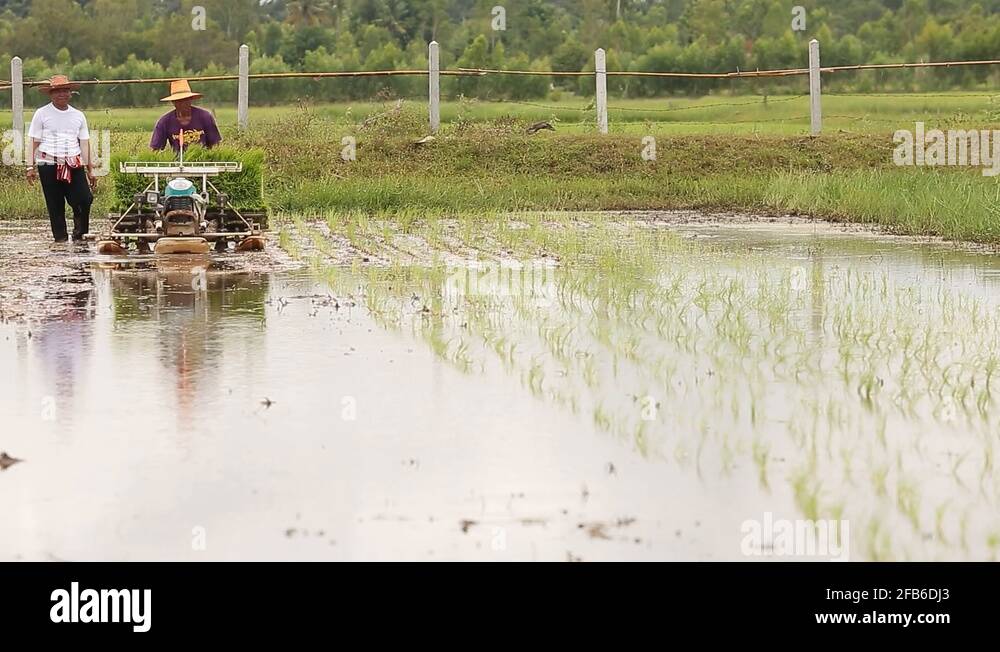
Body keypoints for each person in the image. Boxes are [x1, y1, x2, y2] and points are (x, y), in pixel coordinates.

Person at [26, 75, 96, 243]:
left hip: (73, 162)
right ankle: (61, 240)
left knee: (84, 199)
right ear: (51, 94)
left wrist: (91, 169)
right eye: (57, 91)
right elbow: (33, 142)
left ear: (70, 93)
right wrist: (30, 166)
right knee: (55, 205)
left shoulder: (78, 115)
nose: (61, 95)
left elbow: (84, 143)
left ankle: (80, 235)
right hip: (48, 163)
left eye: (65, 91)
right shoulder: (42, 114)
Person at [150, 79, 222, 152]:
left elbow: (215, 145)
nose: (183, 104)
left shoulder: (205, 116)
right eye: (179, 101)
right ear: (173, 102)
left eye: (186, 99)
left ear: (191, 99)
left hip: (203, 160)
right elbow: (155, 149)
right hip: (178, 161)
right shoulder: (165, 122)